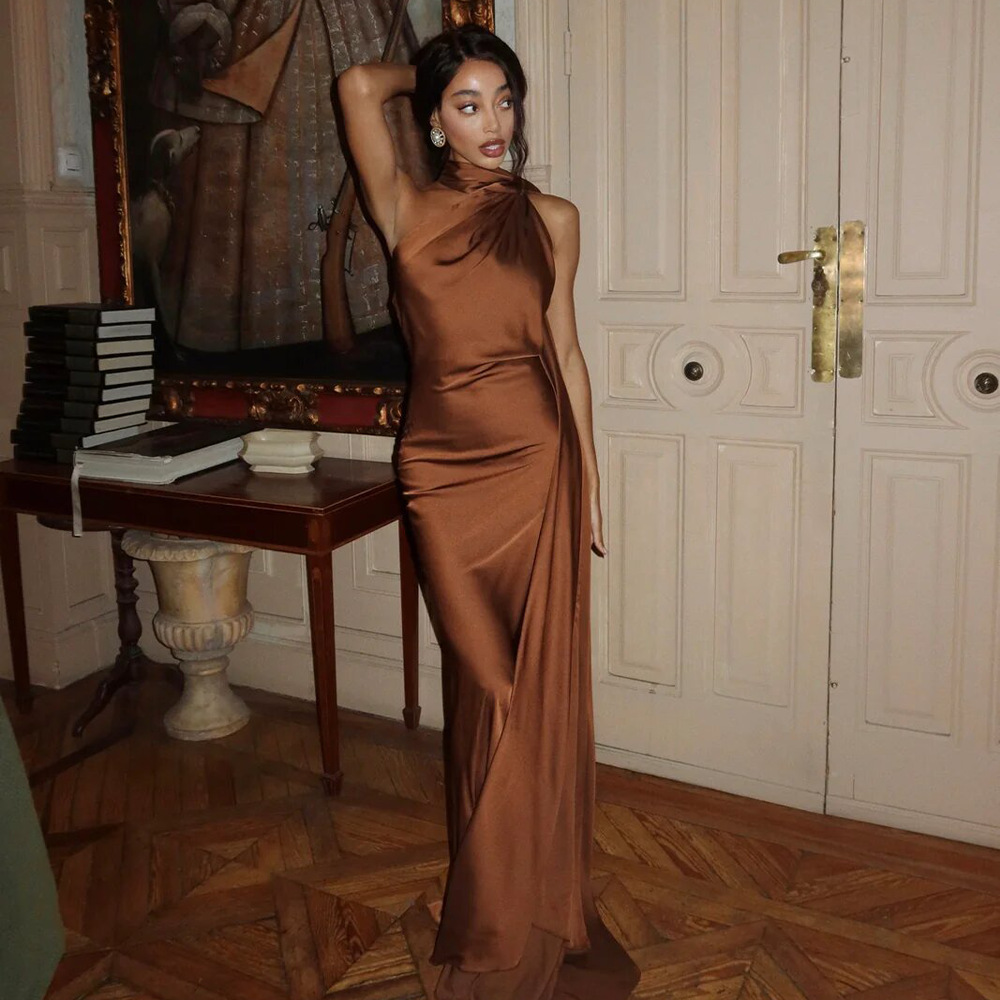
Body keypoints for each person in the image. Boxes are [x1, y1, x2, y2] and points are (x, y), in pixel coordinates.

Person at [337, 24, 641, 1000]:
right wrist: (437, 62)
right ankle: (500, 891)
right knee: (488, 688)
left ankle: (506, 906)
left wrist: (591, 479)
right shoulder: (402, 205)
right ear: (434, 119)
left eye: (504, 98)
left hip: (538, 462)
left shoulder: (553, 218)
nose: (493, 120)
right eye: (467, 104)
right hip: (440, 473)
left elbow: (568, 354)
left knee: (526, 694)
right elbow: (357, 83)